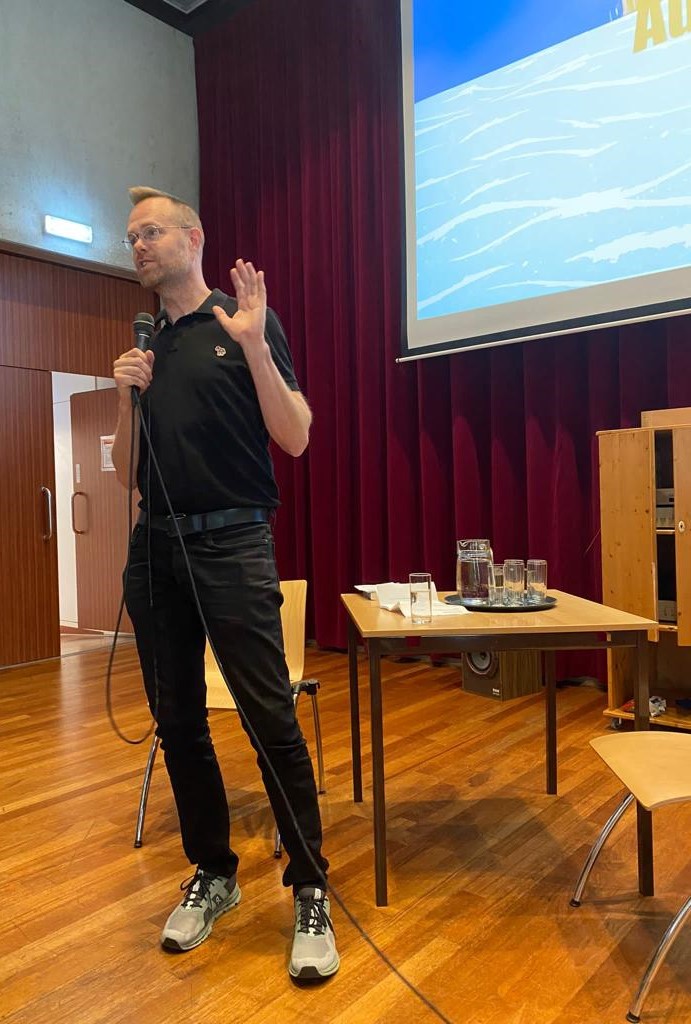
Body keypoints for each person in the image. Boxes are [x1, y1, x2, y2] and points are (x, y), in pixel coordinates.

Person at [111, 186, 339, 980]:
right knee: (177, 721)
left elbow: (296, 437)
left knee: (269, 717)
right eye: (131, 237)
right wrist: (125, 398)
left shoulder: (242, 322)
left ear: (193, 236)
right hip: (156, 549)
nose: (139, 246)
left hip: (234, 542)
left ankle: (309, 886)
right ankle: (213, 871)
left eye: (151, 231)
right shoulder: (148, 348)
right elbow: (124, 473)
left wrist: (253, 347)